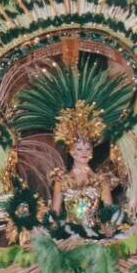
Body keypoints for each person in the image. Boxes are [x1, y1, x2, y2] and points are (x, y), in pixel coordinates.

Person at [47, 101, 119, 238]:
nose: (84, 152)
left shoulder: (101, 179)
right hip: (69, 236)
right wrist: (51, 228)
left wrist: (109, 227)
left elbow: (109, 210)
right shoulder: (62, 180)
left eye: (87, 148)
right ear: (72, 152)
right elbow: (55, 211)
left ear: (92, 151)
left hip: (95, 235)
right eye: (79, 149)